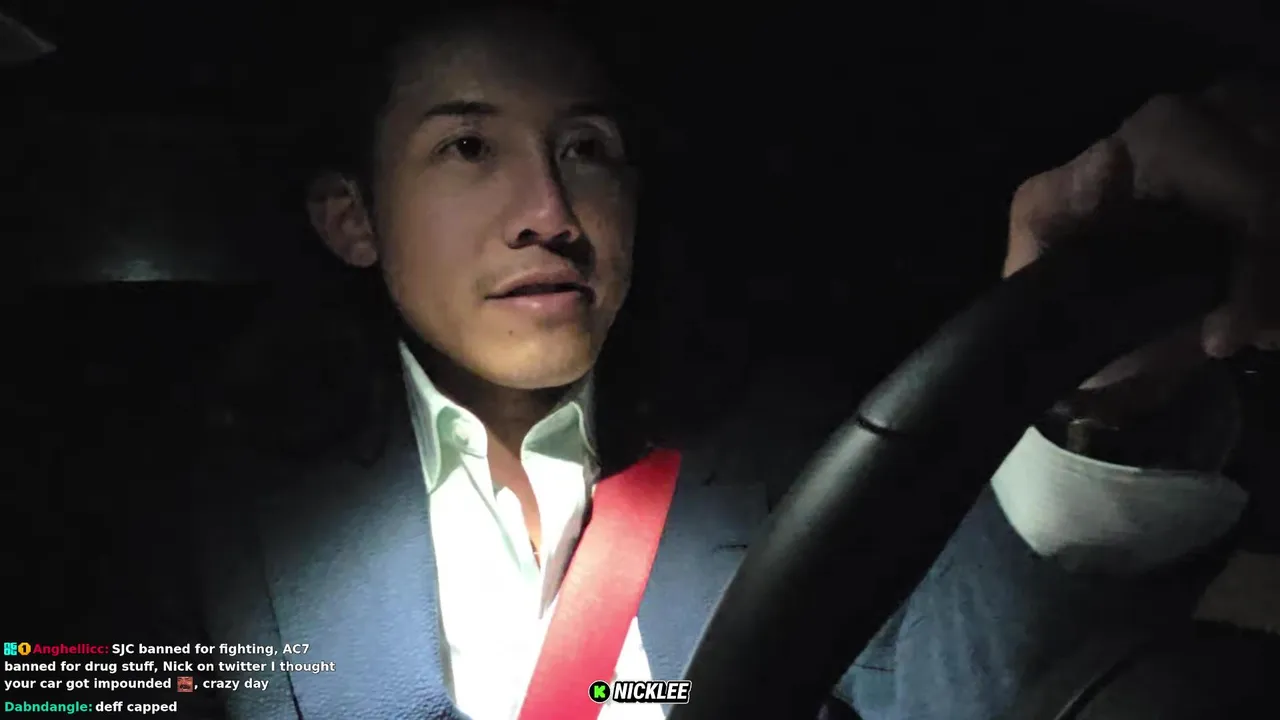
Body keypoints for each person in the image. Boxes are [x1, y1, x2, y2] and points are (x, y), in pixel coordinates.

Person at [195, 4, 1278, 719]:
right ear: (351, 218)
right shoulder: (192, 500)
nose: (550, 212)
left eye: (586, 148)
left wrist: (1089, 384)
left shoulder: (780, 456)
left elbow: (983, 683)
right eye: (468, 146)